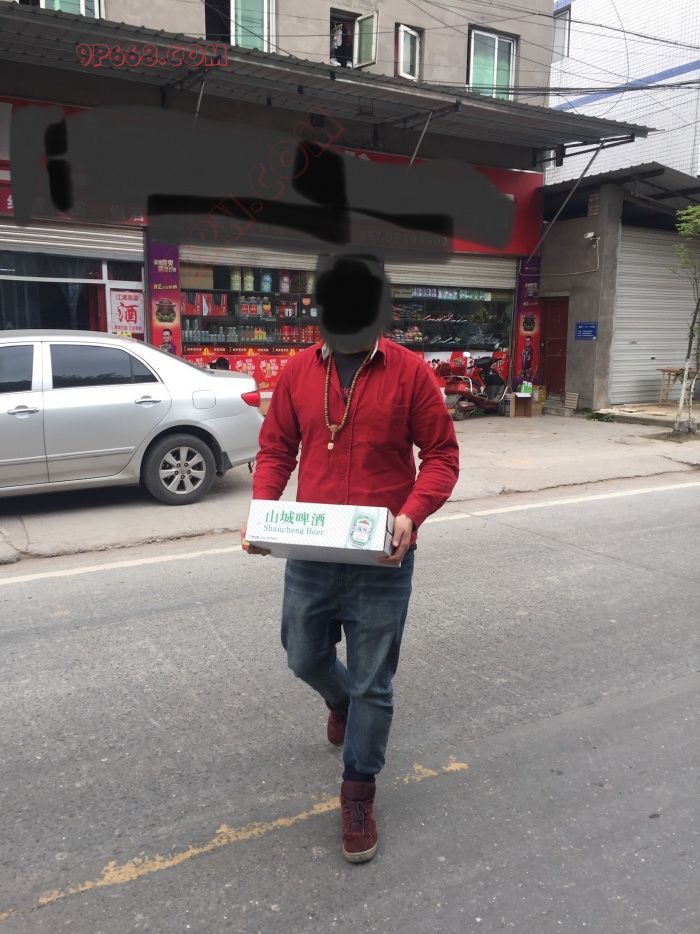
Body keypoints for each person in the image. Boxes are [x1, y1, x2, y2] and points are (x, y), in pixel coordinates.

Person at [241, 252, 459, 864]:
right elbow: (276, 448)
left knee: (374, 683)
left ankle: (358, 791)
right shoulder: (297, 372)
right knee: (302, 654)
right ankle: (338, 700)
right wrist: (262, 511)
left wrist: (411, 515)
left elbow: (441, 456)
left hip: (382, 555)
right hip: (312, 548)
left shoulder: (410, 373)